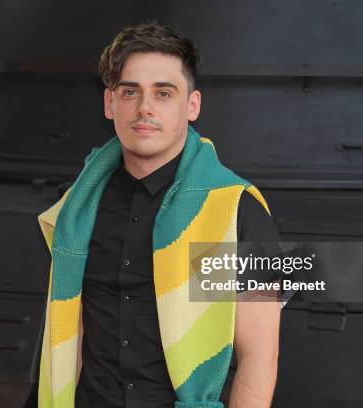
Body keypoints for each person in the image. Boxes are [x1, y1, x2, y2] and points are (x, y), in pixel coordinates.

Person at [37, 22, 282, 408]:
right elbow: (76, 332)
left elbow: (259, 358)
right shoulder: (78, 209)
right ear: (109, 103)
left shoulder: (233, 211)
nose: (144, 108)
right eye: (130, 91)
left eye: (163, 93)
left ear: (193, 105)